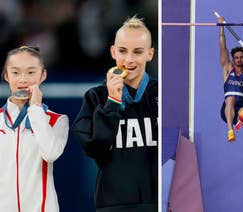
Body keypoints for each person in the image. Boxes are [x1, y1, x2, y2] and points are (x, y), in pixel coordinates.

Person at [72, 16, 158, 212]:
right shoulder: (96, 97)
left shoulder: (163, 94)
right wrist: (112, 102)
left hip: (159, 203)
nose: (129, 59)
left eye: (138, 52)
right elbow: (95, 149)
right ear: (113, 51)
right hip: (113, 206)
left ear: (150, 54)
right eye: (122, 51)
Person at [0, 46, 69, 211]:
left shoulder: (56, 120)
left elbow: (51, 153)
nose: (23, 79)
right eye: (16, 73)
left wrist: (36, 109)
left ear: (43, 75)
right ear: (6, 76)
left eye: (31, 73)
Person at [218, 17, 243, 142]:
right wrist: (222, 28)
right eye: (236, 57)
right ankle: (230, 130)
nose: (239, 59)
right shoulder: (228, 69)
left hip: (242, 110)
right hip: (227, 112)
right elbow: (223, 48)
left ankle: (240, 121)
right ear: (233, 59)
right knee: (230, 99)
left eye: (242, 57)